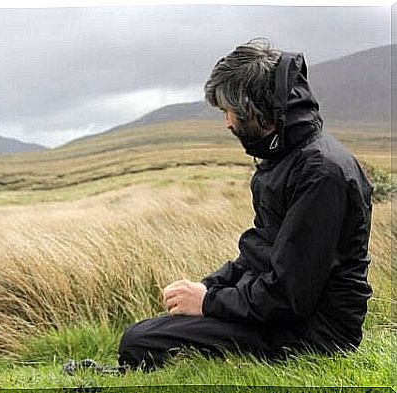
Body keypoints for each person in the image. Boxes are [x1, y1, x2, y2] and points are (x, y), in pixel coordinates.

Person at [116, 38, 374, 371]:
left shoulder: (320, 173)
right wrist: (210, 286)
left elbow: (290, 295)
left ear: (254, 109)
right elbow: (263, 251)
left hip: (316, 335)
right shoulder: (286, 157)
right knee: (145, 336)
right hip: (289, 318)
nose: (227, 122)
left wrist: (208, 302)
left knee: (141, 341)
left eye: (229, 111)